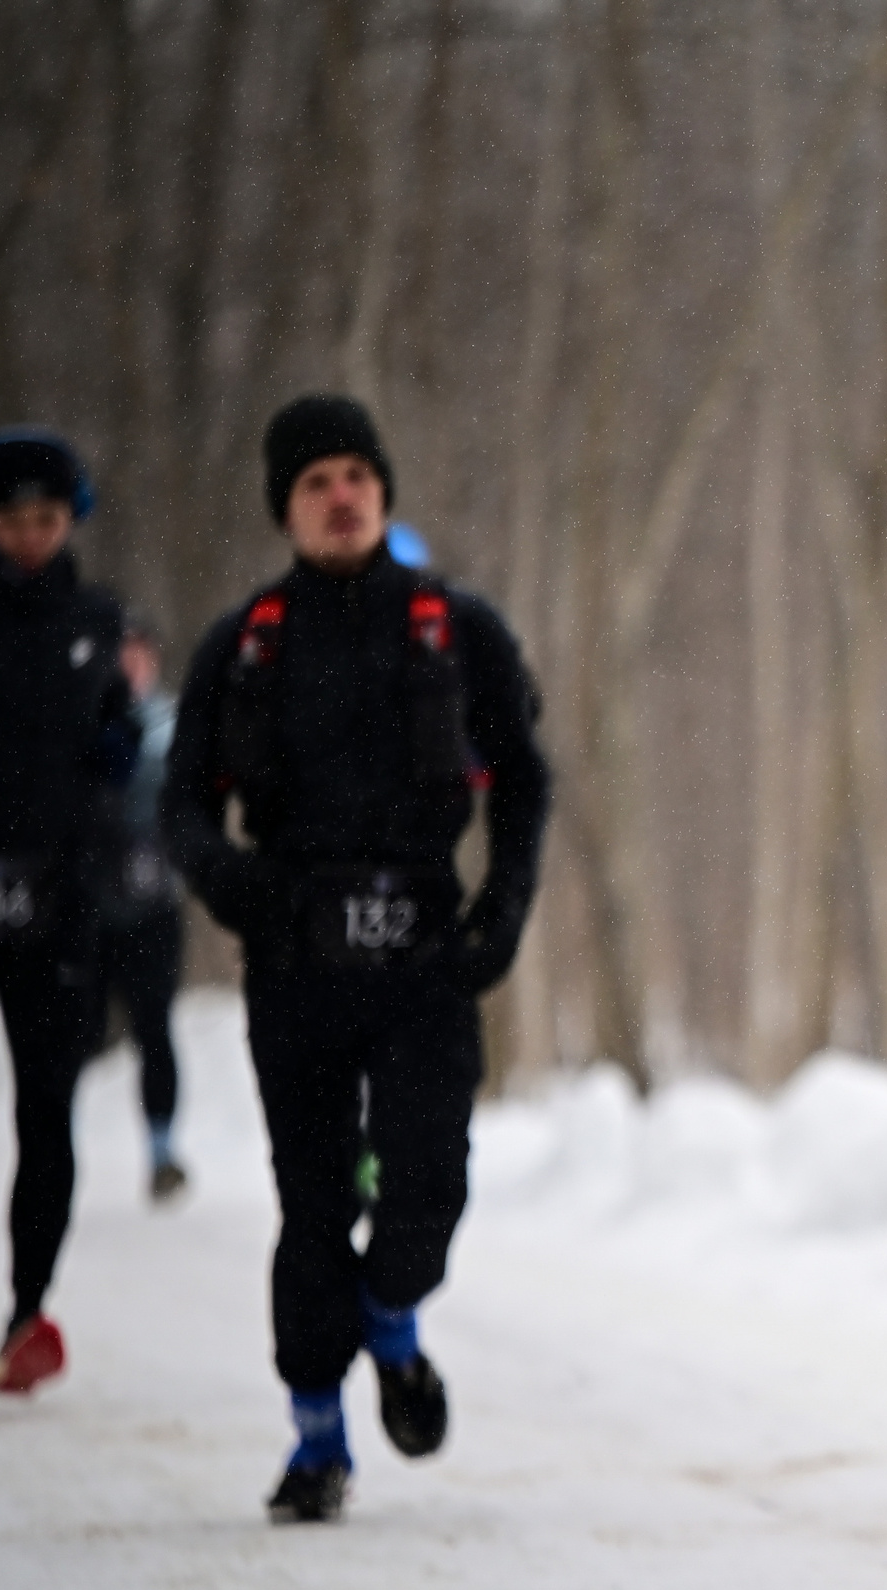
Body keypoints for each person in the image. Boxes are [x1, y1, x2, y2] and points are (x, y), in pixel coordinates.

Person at [163, 395, 550, 1525]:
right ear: (285, 506)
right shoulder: (246, 642)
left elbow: (524, 780)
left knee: (427, 1189)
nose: (342, 496)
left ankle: (394, 1319)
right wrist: (229, 885)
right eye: (316, 481)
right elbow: (181, 803)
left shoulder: (454, 627)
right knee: (314, 1205)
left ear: (383, 490)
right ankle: (316, 1440)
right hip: (295, 963)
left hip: (426, 957)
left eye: (357, 476)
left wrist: (503, 913)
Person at [0, 426, 138, 1395]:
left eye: (49, 519)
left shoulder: (93, 619)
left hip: (58, 904)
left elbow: (114, 736)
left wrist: (111, 769)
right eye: (14, 521)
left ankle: (26, 1308)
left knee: (52, 1112)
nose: (33, 538)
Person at [96, 612, 189, 1201]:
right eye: (121, 654)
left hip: (155, 904)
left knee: (155, 1030)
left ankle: (161, 1152)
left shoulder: (176, 724)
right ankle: (57, 1147)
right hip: (89, 904)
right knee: (77, 1035)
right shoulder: (84, 721)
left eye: (140, 654)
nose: (132, 665)